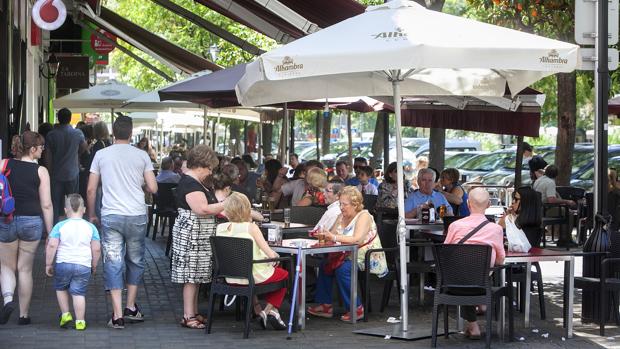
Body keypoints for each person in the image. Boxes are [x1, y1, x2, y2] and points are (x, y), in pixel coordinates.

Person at [87, 115, 158, 329]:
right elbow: (153, 188)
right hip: (136, 214)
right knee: (135, 260)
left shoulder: (101, 154)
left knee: (113, 261)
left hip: (111, 215)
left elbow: (91, 189)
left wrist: (91, 213)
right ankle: (130, 306)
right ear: (131, 131)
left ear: (113, 132)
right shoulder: (141, 155)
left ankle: (117, 315)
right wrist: (142, 186)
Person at [0, 131, 53, 325]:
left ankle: (7, 301)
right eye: (41, 148)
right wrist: (50, 232)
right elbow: (46, 204)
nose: (42, 151)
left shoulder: (3, 164)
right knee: (25, 270)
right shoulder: (41, 172)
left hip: (6, 220)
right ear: (32, 149)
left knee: (6, 266)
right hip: (31, 222)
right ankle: (23, 315)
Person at [170, 145, 225, 329]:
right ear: (201, 165)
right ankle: (188, 316)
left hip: (199, 236)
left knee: (197, 277)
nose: (210, 172)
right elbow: (202, 209)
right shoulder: (190, 184)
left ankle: (193, 312)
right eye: (210, 168)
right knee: (191, 278)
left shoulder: (196, 182)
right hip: (191, 236)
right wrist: (226, 204)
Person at [216, 192, 289, 330]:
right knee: (283, 274)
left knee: (271, 273)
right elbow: (271, 254)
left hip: (230, 277)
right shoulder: (251, 228)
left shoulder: (220, 228)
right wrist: (274, 256)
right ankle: (268, 311)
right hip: (253, 276)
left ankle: (271, 312)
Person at [443, 187, 505, 339]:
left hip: (455, 285)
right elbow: (500, 260)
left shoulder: (455, 226)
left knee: (463, 271)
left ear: (468, 204)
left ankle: (474, 324)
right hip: (482, 284)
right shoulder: (496, 229)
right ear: (489, 204)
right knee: (478, 272)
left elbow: (446, 253)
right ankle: (482, 305)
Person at [307, 186, 376, 322]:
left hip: (365, 255)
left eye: (344, 204)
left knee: (342, 269)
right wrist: (325, 236)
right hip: (345, 254)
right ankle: (325, 305)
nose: (341, 207)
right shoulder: (341, 216)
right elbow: (331, 234)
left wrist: (333, 237)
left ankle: (356, 308)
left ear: (355, 204)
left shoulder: (364, 216)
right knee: (325, 264)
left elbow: (357, 239)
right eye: (340, 203)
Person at [45, 194, 101, 330]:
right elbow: (97, 248)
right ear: (84, 210)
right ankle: (80, 321)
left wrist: (48, 263)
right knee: (78, 292)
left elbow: (52, 245)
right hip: (83, 265)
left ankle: (65, 314)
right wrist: (94, 264)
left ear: (65, 210)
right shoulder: (91, 227)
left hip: (63, 263)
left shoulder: (59, 226)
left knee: (61, 288)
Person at [45, 108, 88, 223]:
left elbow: (47, 156)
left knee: (55, 202)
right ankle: (74, 225)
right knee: (73, 202)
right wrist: (76, 153)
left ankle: (54, 227)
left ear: (58, 118)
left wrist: (49, 172)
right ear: (70, 119)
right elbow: (84, 147)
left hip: (56, 173)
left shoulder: (51, 135)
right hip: (72, 172)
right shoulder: (78, 133)